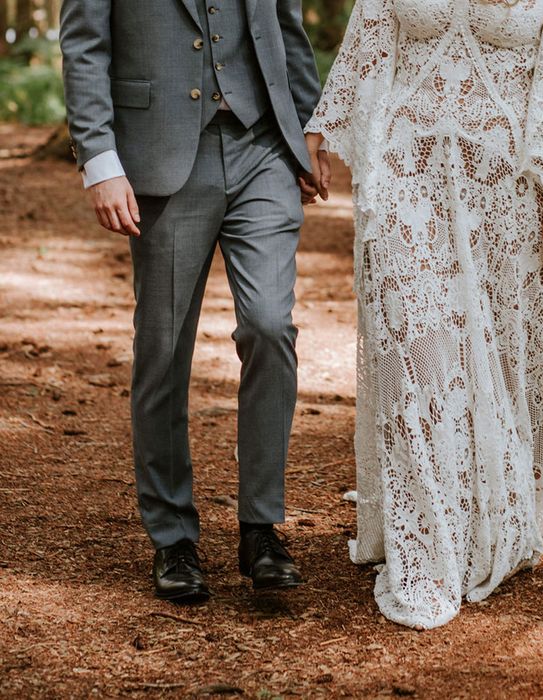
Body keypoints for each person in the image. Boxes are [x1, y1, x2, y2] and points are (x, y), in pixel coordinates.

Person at [303, 0, 543, 629]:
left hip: (507, 177)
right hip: (404, 166)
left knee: (498, 353)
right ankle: (426, 538)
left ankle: (486, 507)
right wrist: (322, 127)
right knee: (410, 340)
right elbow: (371, 29)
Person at [60, 0, 331, 603]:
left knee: (269, 325)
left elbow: (283, 25)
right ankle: (172, 535)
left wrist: (309, 128)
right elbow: (84, 46)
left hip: (262, 146)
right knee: (163, 348)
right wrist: (100, 161)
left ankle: (260, 527)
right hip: (161, 154)